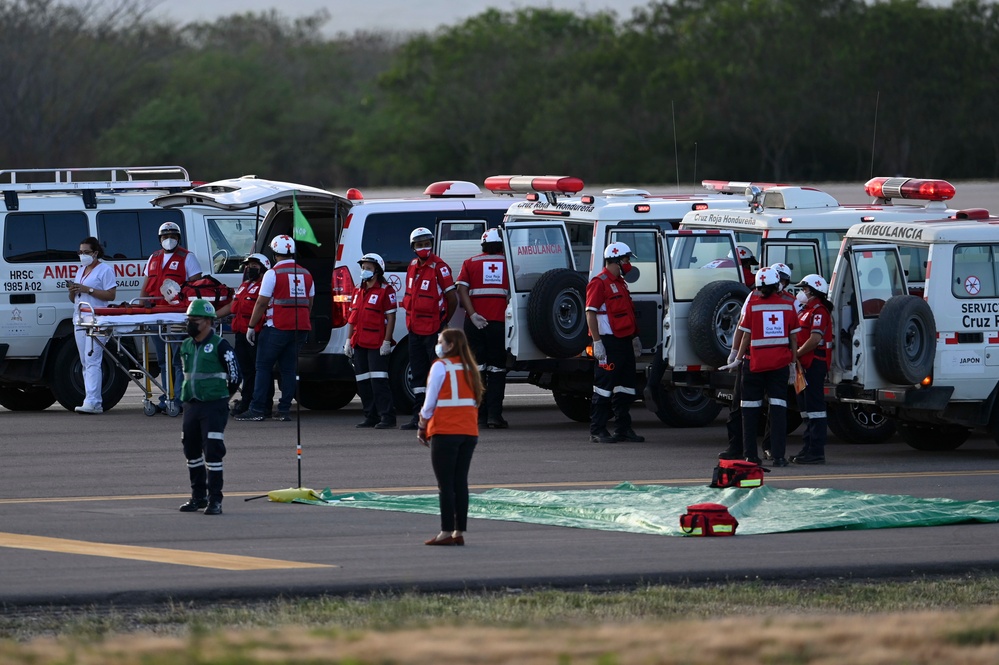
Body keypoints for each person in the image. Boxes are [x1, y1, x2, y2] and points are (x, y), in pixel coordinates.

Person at [416, 328, 484, 546]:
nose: (438, 345)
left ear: (450, 345)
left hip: (445, 431)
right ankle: (458, 530)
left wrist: (422, 426)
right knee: (460, 482)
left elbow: (429, 403)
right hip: (468, 431)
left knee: (445, 484)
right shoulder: (470, 368)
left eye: (440, 342)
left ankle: (446, 531)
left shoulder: (440, 367)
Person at [236, 235, 314, 422]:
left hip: (276, 327)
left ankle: (257, 409)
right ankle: (284, 410)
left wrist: (251, 326)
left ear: (274, 253)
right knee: (288, 370)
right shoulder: (306, 274)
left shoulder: (273, 274)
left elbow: (262, 303)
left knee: (262, 367)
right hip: (300, 328)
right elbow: (309, 302)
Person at [730, 267, 800, 467]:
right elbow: (794, 338)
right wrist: (793, 364)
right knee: (778, 410)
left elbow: (745, 334)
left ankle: (750, 456)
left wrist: (737, 357)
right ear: (777, 285)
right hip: (779, 366)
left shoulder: (752, 305)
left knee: (749, 411)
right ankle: (778, 456)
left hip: (753, 365)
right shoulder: (788, 307)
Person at [177, 299, 241, 515]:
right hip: (192, 405)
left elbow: (235, 375)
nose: (190, 323)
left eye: (194, 319)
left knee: (212, 452)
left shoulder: (221, 345)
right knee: (191, 451)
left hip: (214, 406)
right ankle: (198, 497)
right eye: (189, 319)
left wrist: (223, 398)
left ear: (207, 321)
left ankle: (215, 500)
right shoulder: (185, 345)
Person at [139, 221, 203, 413]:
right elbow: (146, 283)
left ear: (179, 238)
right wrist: (141, 304)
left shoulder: (187, 258)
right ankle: (167, 395)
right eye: (165, 236)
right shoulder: (154, 257)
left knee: (176, 359)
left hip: (176, 316)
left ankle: (179, 398)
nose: (169, 240)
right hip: (155, 314)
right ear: (160, 239)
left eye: (173, 236)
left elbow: (196, 285)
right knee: (162, 360)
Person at [585, 241, 644, 444]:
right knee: (603, 387)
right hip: (608, 344)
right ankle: (597, 430)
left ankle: (623, 429)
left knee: (626, 388)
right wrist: (597, 342)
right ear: (617, 260)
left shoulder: (620, 283)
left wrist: (634, 337)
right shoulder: (599, 282)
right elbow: (590, 313)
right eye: (626, 259)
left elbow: (626, 313)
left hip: (623, 342)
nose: (628, 264)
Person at [400, 227, 457, 430]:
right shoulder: (412, 266)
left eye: (427, 243)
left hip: (433, 330)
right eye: (419, 244)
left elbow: (452, 298)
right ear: (413, 247)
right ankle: (419, 417)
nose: (424, 247)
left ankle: (440, 417)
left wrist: (443, 323)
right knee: (418, 376)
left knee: (437, 375)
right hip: (414, 329)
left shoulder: (439, 267)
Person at [457, 228, 510, 428]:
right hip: (499, 323)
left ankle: (479, 416)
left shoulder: (470, 262)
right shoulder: (509, 262)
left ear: (483, 245)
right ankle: (494, 417)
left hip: (475, 323)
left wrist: (472, 315)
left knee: (477, 369)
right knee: (497, 370)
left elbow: (461, 289)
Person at [214, 253, 273, 417]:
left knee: (258, 370)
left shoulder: (265, 286)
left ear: (263, 268)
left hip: (256, 333)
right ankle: (247, 401)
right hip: (240, 333)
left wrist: (253, 327)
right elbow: (232, 306)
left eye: (254, 266)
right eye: (248, 266)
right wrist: (210, 315)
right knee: (246, 371)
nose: (249, 269)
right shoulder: (244, 285)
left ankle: (263, 404)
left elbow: (262, 306)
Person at [344, 253, 397, 429]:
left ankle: (387, 416)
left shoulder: (386, 291)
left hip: (376, 342)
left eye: (368, 268)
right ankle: (370, 415)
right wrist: (348, 340)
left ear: (377, 271)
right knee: (363, 381)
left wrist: (387, 341)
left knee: (378, 381)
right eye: (363, 267)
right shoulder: (358, 290)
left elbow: (391, 318)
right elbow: (352, 317)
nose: (364, 271)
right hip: (359, 342)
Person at [69, 237, 117, 414]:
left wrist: (87, 289)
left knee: (93, 360)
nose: (82, 255)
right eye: (80, 252)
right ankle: (90, 399)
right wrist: (73, 290)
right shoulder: (81, 270)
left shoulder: (105, 270)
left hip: (97, 320)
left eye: (86, 252)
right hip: (80, 319)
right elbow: (74, 298)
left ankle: (94, 401)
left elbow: (111, 295)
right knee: (85, 362)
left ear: (95, 253)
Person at [791, 274, 833, 465]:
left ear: (813, 291)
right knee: (805, 408)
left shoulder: (819, 311)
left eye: (804, 289)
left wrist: (796, 354)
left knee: (815, 408)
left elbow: (815, 339)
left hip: (814, 363)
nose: (802, 292)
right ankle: (807, 448)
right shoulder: (805, 311)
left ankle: (816, 451)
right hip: (803, 365)